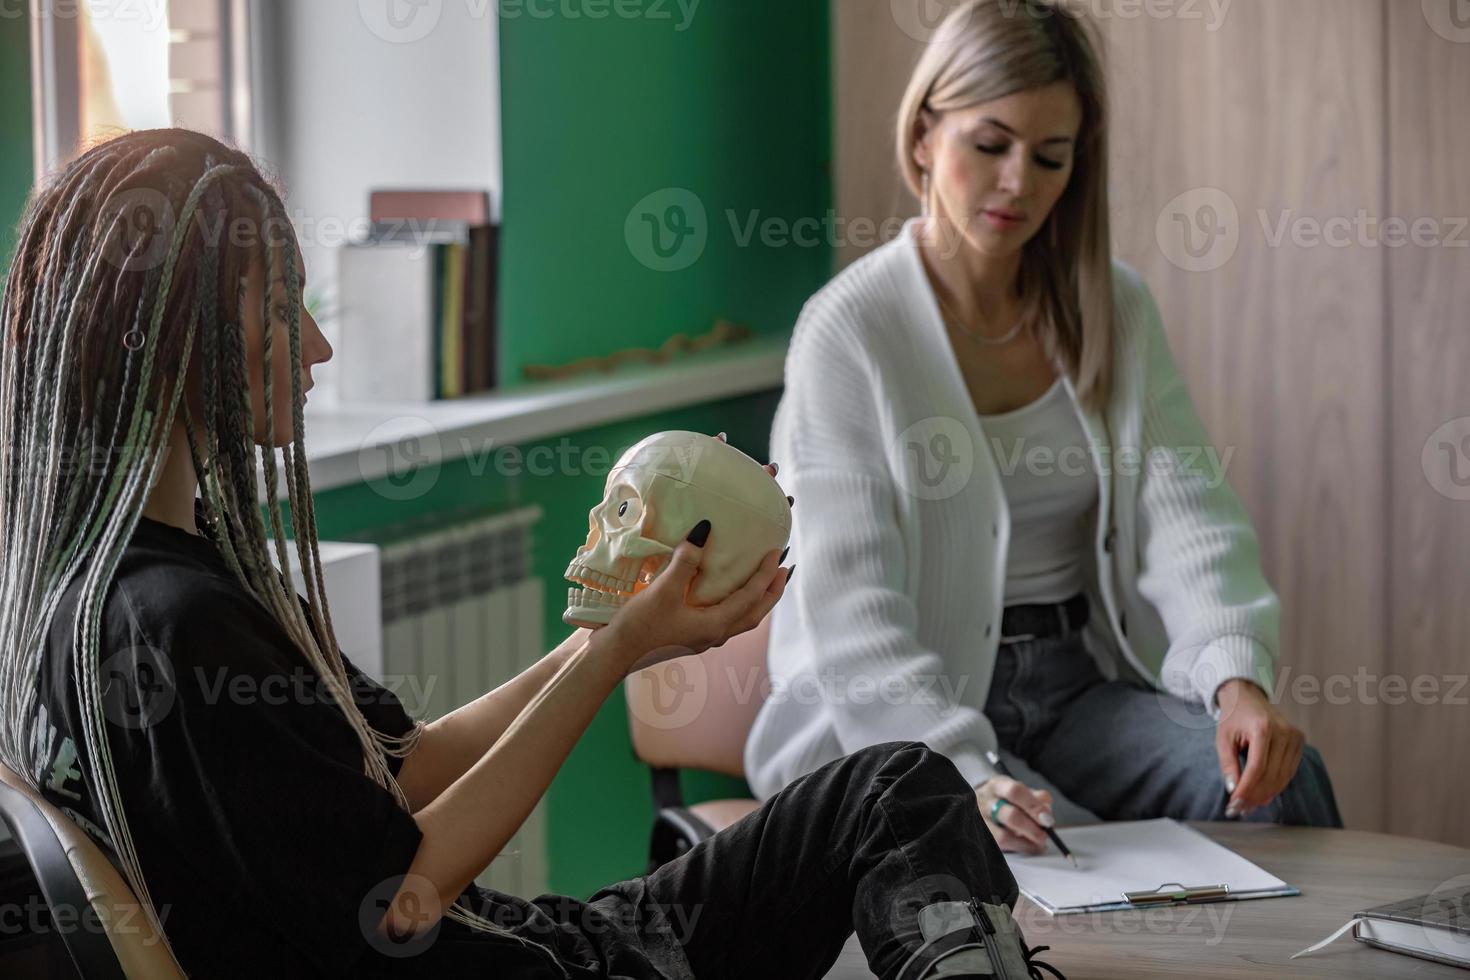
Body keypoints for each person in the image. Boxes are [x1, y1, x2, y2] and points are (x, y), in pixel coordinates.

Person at [0, 129, 1059, 979]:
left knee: (892, 788)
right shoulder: (168, 628)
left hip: (527, 936)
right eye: (280, 311)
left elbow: (404, 769)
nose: (318, 346)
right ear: (178, 338)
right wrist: (605, 662)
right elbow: (404, 900)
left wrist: (615, 638)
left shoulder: (155, 577)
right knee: (900, 796)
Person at [743, 0, 1342, 855]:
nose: (1019, 182)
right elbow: (855, 618)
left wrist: (1234, 678)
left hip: (1073, 691)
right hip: (898, 716)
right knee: (1072, 846)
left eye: (1049, 156)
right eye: (990, 145)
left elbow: (1190, 517)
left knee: (1280, 784)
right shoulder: (849, 333)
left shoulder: (1114, 307)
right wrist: (960, 771)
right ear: (923, 137)